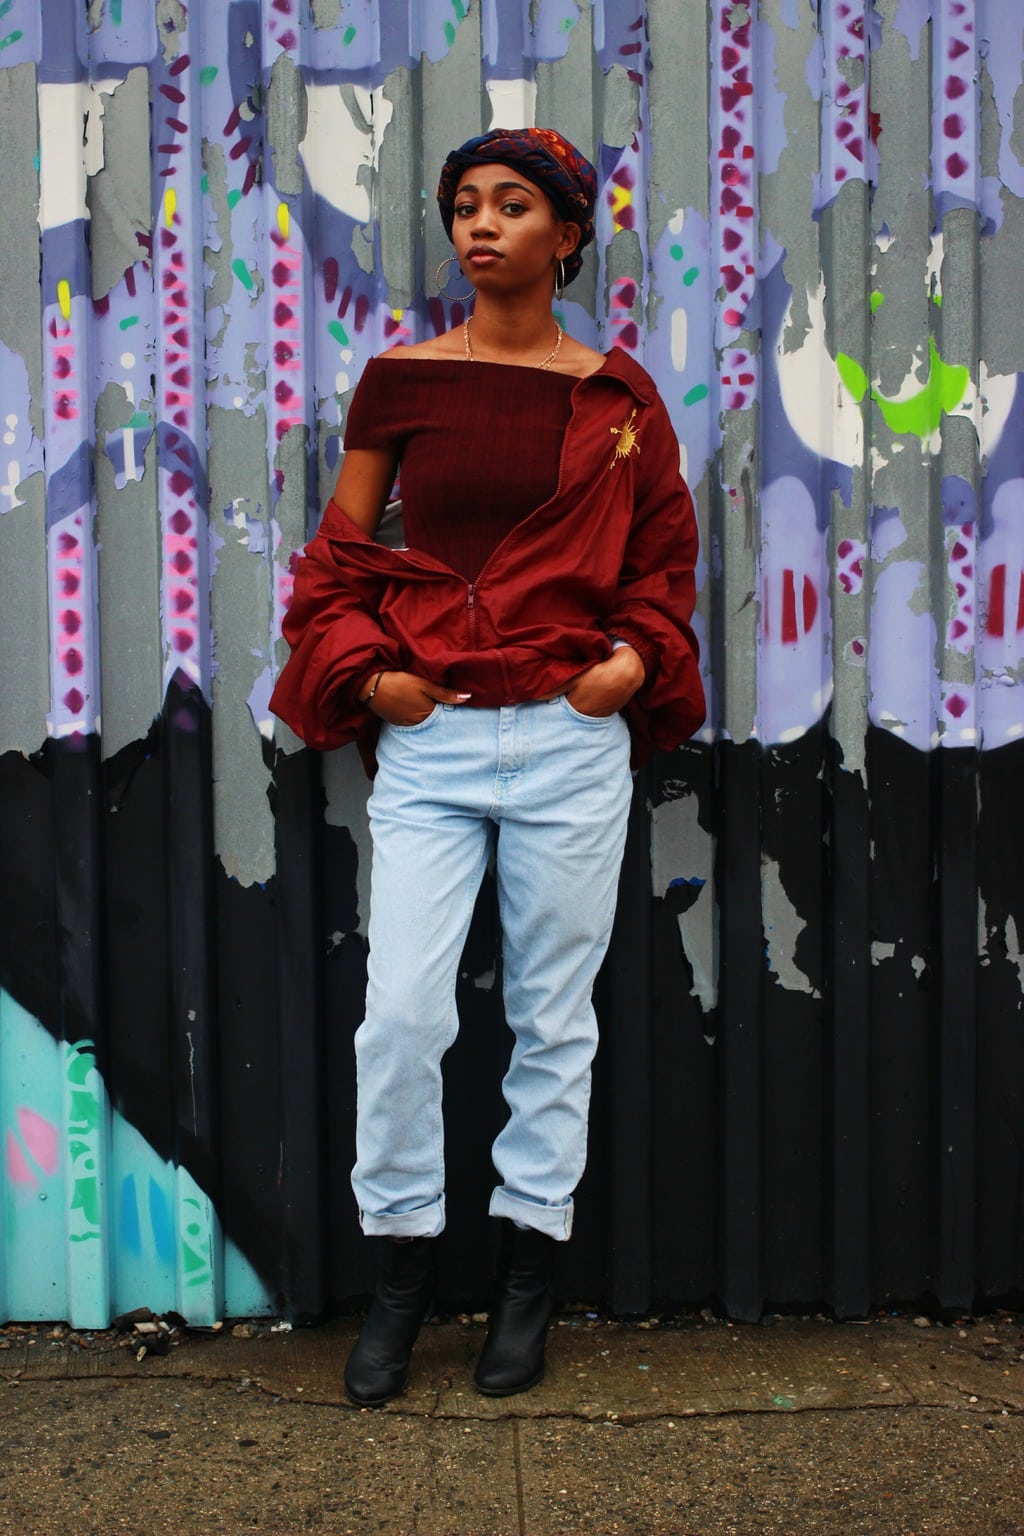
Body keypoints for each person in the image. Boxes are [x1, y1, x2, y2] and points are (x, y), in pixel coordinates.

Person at [270, 127, 705, 1408]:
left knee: (549, 1023)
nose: (481, 224)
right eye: (464, 205)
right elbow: (334, 563)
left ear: (567, 235)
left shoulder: (618, 400)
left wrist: (628, 665)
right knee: (402, 1015)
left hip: (570, 740)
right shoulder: (400, 379)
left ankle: (527, 1283)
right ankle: (399, 1281)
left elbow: (664, 568)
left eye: (513, 205)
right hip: (434, 735)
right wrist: (371, 681)